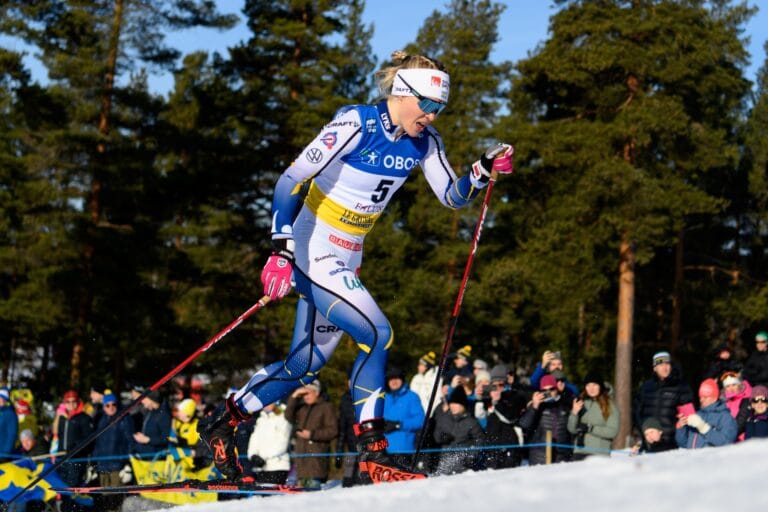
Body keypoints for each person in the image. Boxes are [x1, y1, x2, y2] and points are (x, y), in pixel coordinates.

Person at [196, 50, 514, 484]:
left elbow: (451, 197)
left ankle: (222, 421)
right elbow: (291, 179)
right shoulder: (356, 124)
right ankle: (374, 451)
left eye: (441, 109)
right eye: (428, 106)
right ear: (403, 94)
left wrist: (481, 171)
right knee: (378, 333)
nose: (433, 117)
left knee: (304, 365)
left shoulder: (426, 142)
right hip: (313, 248)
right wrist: (280, 249)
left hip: (348, 254)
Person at [632, 350, 694, 449]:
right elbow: (637, 412)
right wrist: (645, 431)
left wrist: (679, 427)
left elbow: (690, 415)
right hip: (649, 443)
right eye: (661, 365)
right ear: (655, 368)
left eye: (667, 364)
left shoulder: (681, 387)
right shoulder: (646, 387)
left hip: (672, 443)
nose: (665, 368)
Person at [284, 381, 338, 488]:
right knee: (300, 500)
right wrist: (294, 395)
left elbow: (333, 431)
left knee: (313, 500)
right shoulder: (301, 408)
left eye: (308, 393)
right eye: (303, 394)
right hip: (301, 463)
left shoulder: (326, 407)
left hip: (316, 463)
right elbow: (288, 415)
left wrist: (311, 434)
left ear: (317, 393)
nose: (306, 397)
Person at [91, 391, 134, 512]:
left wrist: (127, 464)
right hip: (102, 465)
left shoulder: (124, 419)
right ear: (103, 407)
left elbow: (130, 441)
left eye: (113, 404)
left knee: (117, 497)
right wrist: (93, 463)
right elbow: (97, 444)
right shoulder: (101, 420)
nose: (111, 408)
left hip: (117, 465)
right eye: (107, 405)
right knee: (105, 498)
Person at [519, 374, 573, 465]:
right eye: (544, 390)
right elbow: (524, 424)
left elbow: (572, 429)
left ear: (556, 389)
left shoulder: (565, 404)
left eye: (551, 389)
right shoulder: (537, 406)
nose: (549, 393)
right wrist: (534, 407)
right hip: (539, 456)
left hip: (561, 456)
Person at [481, 364, 527, 469]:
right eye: (493, 385)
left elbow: (510, 417)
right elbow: (480, 417)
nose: (497, 388)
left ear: (506, 384)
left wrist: (497, 403)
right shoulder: (489, 399)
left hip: (509, 448)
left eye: (500, 385)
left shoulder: (516, 396)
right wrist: (481, 398)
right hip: (491, 448)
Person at [433, 386, 484, 475]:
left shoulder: (472, 422)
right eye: (451, 403)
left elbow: (480, 441)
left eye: (456, 404)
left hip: (464, 469)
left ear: (463, 405)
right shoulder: (444, 418)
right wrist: (441, 437)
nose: (453, 406)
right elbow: (436, 435)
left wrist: (470, 457)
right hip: (444, 467)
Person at [57, 390, 94, 512]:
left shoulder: (83, 418)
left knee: (72, 489)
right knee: (62, 489)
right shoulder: (62, 419)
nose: (71, 404)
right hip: (62, 459)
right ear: (64, 403)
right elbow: (60, 437)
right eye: (68, 402)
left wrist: (74, 449)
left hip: (76, 459)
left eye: (74, 401)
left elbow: (88, 440)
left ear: (78, 402)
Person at [567, 372, 619, 459]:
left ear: (600, 386)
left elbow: (612, 431)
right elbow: (571, 429)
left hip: (599, 453)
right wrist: (574, 413)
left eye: (594, 385)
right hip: (579, 452)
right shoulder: (581, 402)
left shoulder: (610, 405)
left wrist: (591, 428)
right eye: (588, 385)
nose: (591, 388)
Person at [675, 378, 737, 449]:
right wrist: (681, 428)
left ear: (714, 397)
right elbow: (684, 444)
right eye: (700, 397)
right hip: (692, 458)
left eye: (705, 397)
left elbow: (727, 442)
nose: (701, 400)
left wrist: (704, 428)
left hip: (711, 458)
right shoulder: (697, 415)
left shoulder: (725, 417)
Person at [382, 366, 425, 466]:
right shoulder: (382, 397)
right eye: (391, 379)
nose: (394, 381)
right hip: (382, 450)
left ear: (402, 379)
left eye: (397, 378)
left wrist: (398, 425)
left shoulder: (412, 396)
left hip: (403, 449)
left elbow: (420, 420)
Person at [246, 402, 292, 484]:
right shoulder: (261, 419)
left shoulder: (283, 417)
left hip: (278, 466)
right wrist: (253, 455)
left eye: (269, 402)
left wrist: (263, 458)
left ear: (276, 402)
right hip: (260, 467)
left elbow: (282, 443)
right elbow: (254, 439)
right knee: (260, 496)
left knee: (274, 496)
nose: (265, 404)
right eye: (264, 402)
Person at [132, 389, 171, 458]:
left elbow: (166, 438)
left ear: (150, 399)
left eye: (144, 399)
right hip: (146, 456)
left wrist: (148, 440)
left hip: (157, 458)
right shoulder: (150, 412)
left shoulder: (163, 415)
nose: (142, 401)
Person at [719, 371, 751, 440]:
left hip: (742, 438)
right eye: (728, 386)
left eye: (734, 384)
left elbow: (741, 421)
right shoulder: (723, 402)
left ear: (739, 385)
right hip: (727, 438)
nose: (731, 388)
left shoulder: (746, 399)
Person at [409, 351, 442, 416]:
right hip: (414, 413)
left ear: (427, 366)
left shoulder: (436, 379)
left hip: (429, 415)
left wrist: (431, 413)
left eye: (421, 365)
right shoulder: (416, 378)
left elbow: (437, 398)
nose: (418, 367)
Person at [0, 386, 18, 462]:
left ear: (4, 400)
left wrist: (5, 454)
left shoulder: (10, 413)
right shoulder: (2, 412)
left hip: (2, 454)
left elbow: (12, 435)